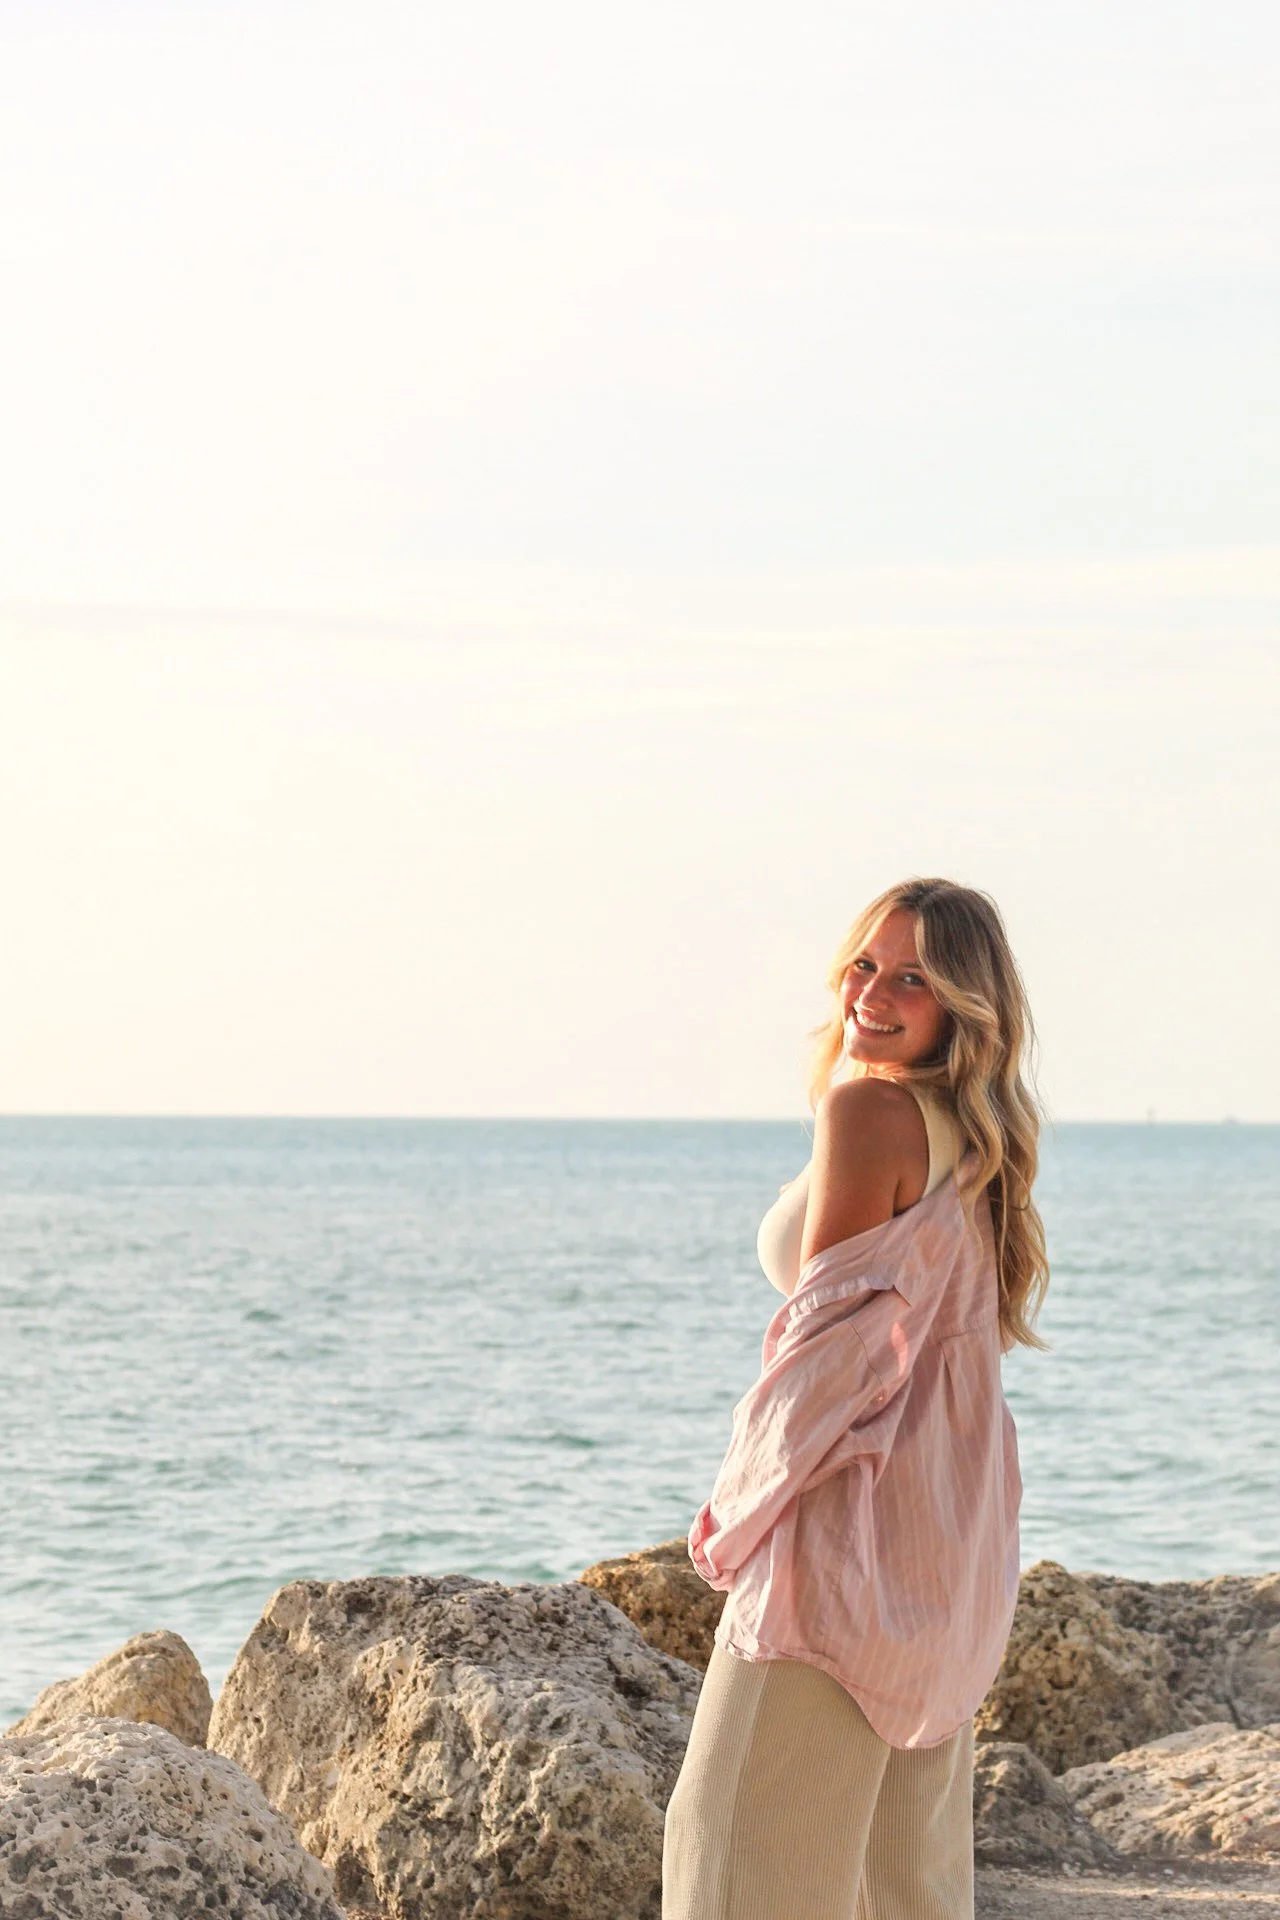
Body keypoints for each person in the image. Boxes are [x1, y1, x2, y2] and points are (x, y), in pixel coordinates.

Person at [662, 877, 1049, 1920]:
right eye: (863, 965)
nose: (870, 993)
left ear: (963, 1005)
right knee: (900, 1886)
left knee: (729, 1853)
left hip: (848, 1534)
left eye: (911, 977)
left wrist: (733, 1522)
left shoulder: (869, 1108)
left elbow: (821, 1359)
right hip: (948, 1543)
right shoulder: (977, 1138)